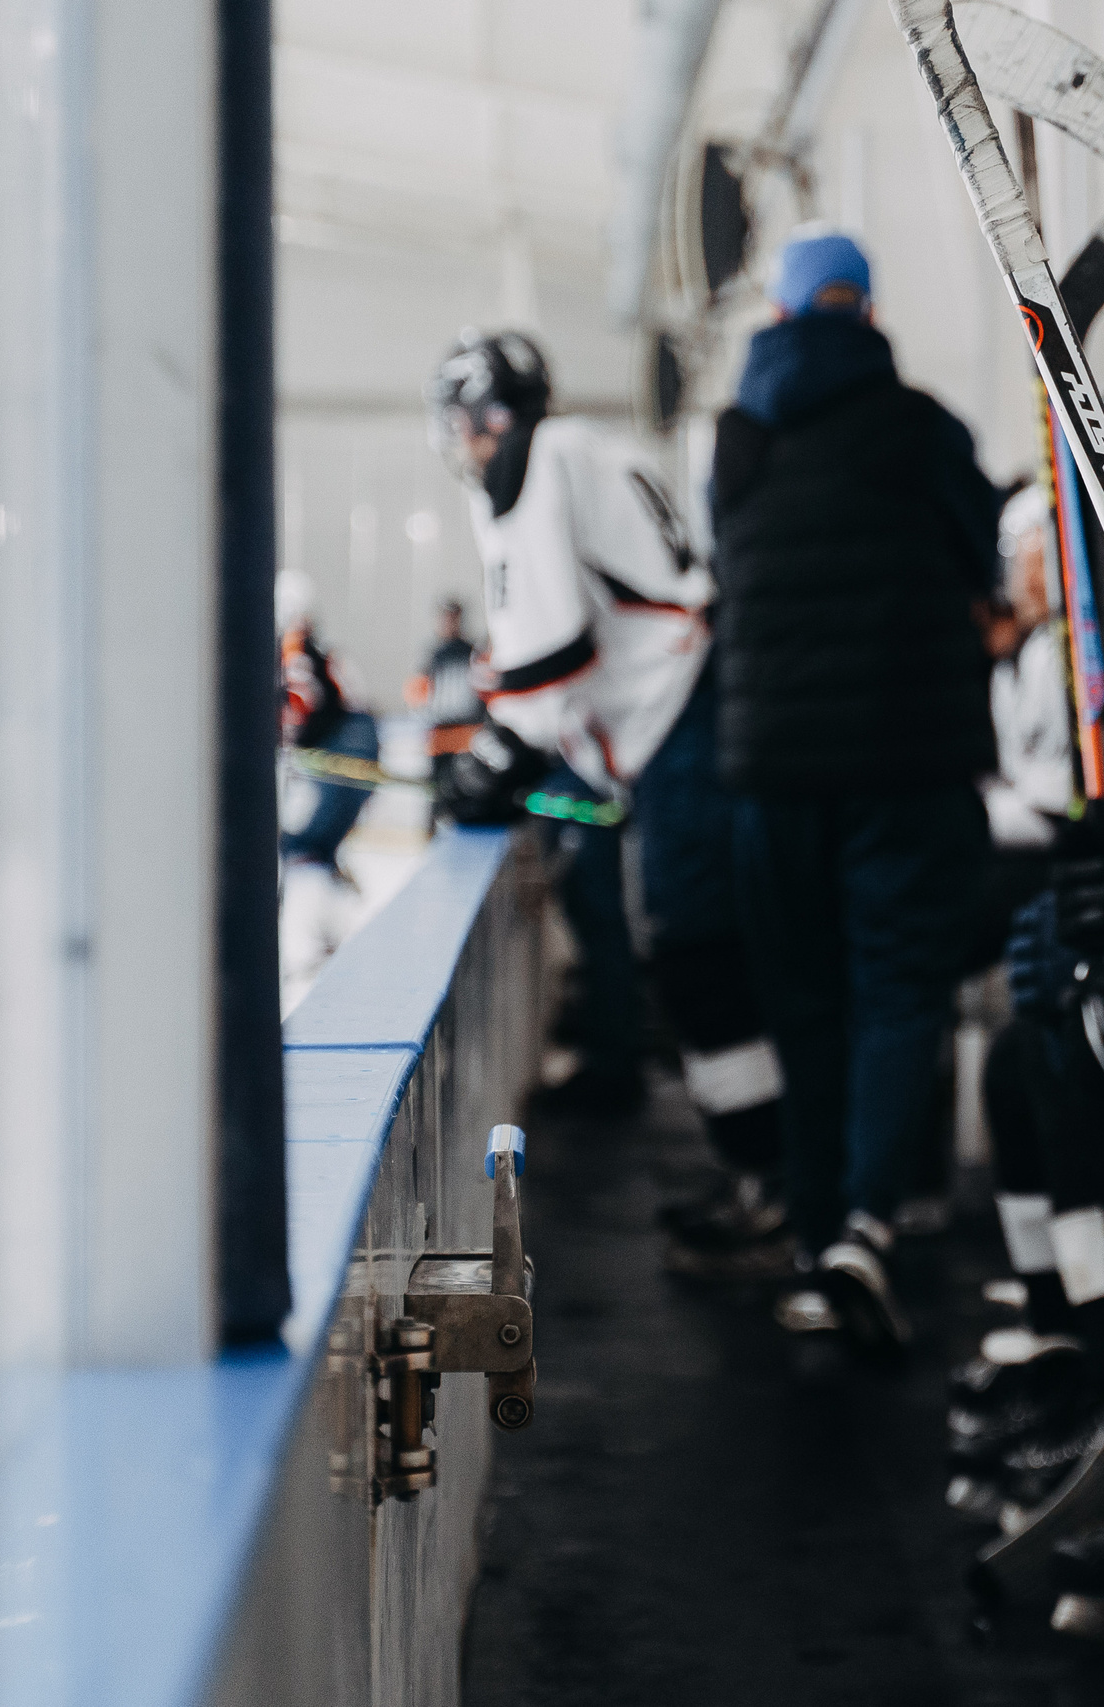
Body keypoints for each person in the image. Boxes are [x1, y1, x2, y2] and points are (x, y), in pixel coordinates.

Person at [710, 227, 1001, 1351]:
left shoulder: (736, 441)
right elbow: (979, 557)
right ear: (867, 314)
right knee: (895, 991)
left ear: (780, 316)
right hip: (905, 755)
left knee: (804, 999)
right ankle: (865, 1231)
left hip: (769, 767)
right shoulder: (921, 428)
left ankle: (810, 1219)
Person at [429, 334, 789, 1244]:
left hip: (679, 725)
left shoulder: (539, 464)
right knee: (709, 952)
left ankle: (775, 1191)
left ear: (488, 418)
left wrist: (502, 754)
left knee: (699, 951)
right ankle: (775, 1182)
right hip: (685, 720)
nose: (464, 445)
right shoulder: (584, 448)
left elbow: (551, 649)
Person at [277, 569, 376, 985]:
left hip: (344, 753)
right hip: (357, 749)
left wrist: (286, 737)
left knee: (303, 849)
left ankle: (319, 939)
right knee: (311, 848)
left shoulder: (297, 647)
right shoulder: (319, 649)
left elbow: (304, 705)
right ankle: (341, 930)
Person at [406, 596, 486, 798]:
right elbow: (417, 691)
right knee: (437, 794)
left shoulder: (471, 651)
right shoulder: (433, 654)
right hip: (439, 735)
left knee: (465, 792)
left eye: (453, 617)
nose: (449, 622)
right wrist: (423, 712)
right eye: (445, 617)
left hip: (467, 736)